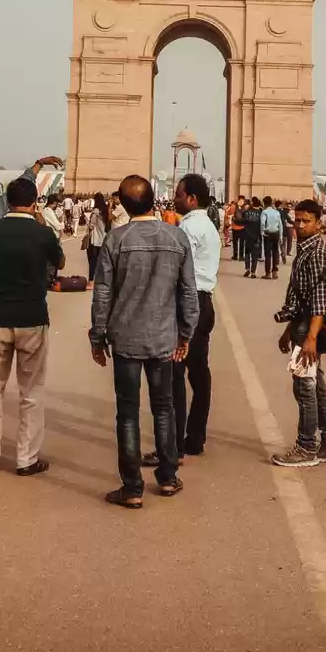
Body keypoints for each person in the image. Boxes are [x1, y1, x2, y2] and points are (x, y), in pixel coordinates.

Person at [90, 175, 198, 509]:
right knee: (163, 407)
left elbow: (102, 293)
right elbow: (188, 292)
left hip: (124, 338)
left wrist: (97, 335)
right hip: (163, 337)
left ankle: (133, 488)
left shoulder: (115, 239)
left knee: (127, 413)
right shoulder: (177, 237)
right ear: (154, 198)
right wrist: (186, 332)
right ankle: (167, 477)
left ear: (122, 203)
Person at [0, 177, 65, 475]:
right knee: (31, 392)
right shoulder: (42, 233)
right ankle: (26, 458)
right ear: (35, 200)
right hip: (31, 315)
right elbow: (61, 262)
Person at [143, 173, 220, 467]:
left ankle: (173, 446)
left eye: (177, 195)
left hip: (187, 303)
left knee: (173, 374)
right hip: (205, 302)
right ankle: (194, 438)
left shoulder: (186, 228)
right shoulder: (209, 226)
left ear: (191, 199)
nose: (173, 200)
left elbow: (171, 267)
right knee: (199, 374)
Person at [272, 199, 326, 468]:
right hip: (302, 325)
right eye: (297, 220)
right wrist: (288, 330)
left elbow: (319, 303)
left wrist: (310, 340)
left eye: (306, 221)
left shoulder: (317, 254)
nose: (300, 225)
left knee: (305, 388)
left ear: (318, 222)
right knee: (317, 386)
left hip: (310, 329)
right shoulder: (304, 250)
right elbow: (301, 299)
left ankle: (306, 447)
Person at [86, 192, 110, 278]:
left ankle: (91, 279)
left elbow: (91, 225)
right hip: (103, 238)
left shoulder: (96, 211)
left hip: (95, 239)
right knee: (102, 260)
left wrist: (87, 222)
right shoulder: (105, 210)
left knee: (93, 260)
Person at [260, 195, 283, 279]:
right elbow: (280, 225)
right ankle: (275, 271)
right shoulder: (277, 212)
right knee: (275, 253)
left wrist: (262, 232)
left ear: (264, 203)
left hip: (268, 234)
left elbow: (262, 223)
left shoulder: (264, 212)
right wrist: (280, 236)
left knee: (268, 254)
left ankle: (268, 273)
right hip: (276, 234)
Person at [242, 196, 264, 278]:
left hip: (247, 234)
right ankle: (253, 272)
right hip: (257, 236)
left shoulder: (248, 212)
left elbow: (242, 218)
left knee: (247, 253)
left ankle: (247, 268)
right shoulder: (262, 213)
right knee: (255, 255)